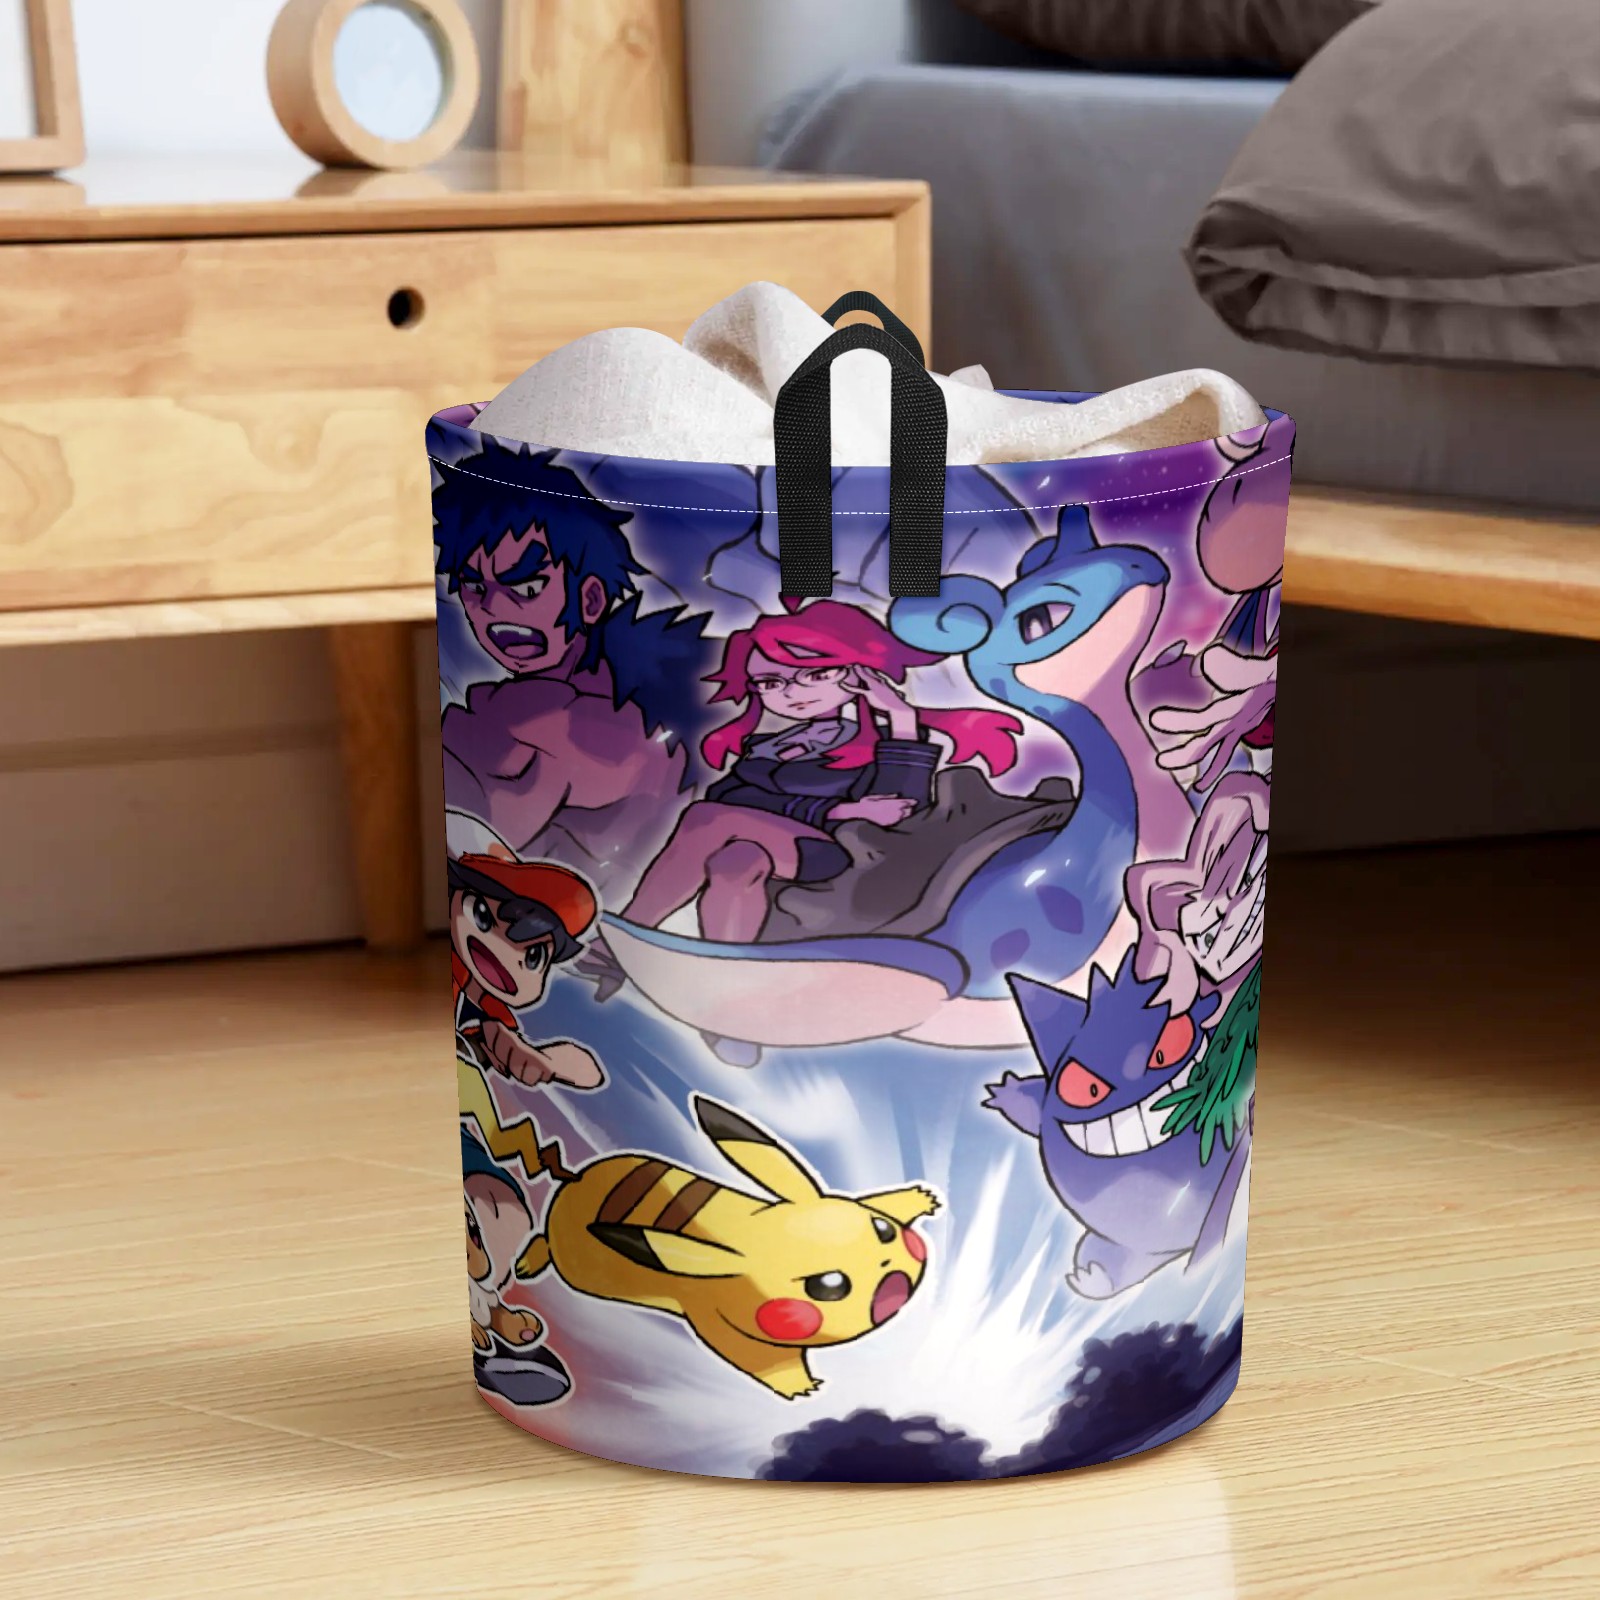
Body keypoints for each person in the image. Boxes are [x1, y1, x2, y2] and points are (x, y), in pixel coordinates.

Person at [617, 600, 1022, 945]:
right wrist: (838, 810)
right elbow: (731, 800)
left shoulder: (885, 743)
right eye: (770, 682)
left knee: (706, 818)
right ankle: (727, 960)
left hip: (848, 855)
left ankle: (630, 929)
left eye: (815, 674)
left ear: (858, 674)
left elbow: (900, 812)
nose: (791, 692)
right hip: (795, 845)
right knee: (736, 861)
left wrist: (900, 717)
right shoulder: (767, 746)